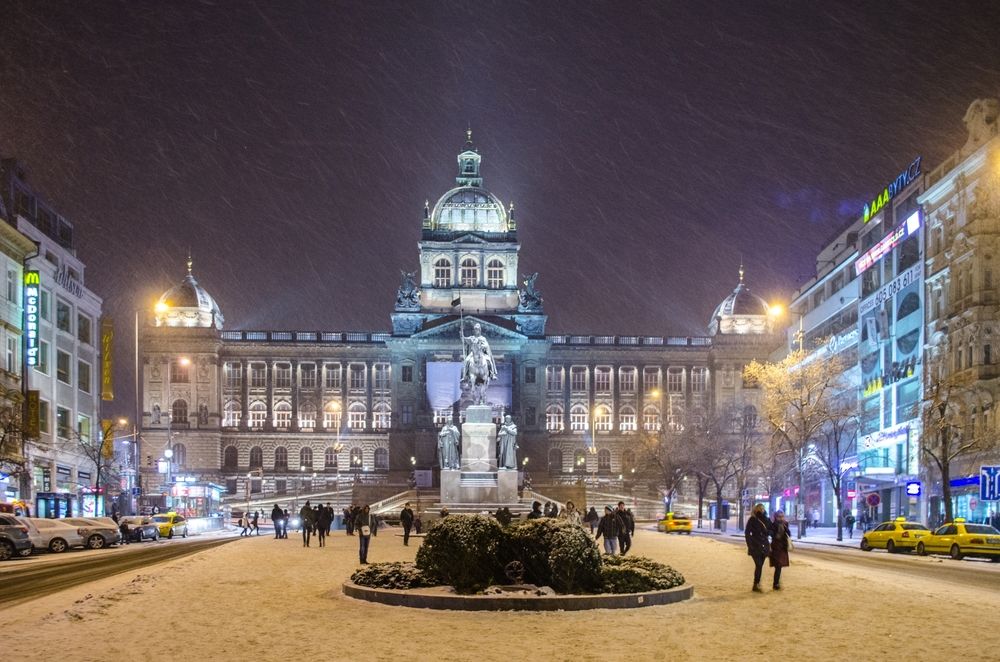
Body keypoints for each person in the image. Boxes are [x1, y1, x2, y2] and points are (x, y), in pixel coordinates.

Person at [745, 503, 771, 593]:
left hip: (764, 545)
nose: (761, 510)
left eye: (763, 508)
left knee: (760, 566)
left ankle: (756, 584)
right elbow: (747, 533)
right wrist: (750, 545)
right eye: (760, 508)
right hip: (755, 545)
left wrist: (769, 532)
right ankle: (756, 584)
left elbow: (771, 530)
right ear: (756, 510)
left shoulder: (767, 519)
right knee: (758, 564)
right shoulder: (752, 519)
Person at [770, 510, 791, 590]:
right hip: (776, 547)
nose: (781, 518)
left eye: (782, 516)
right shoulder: (773, 525)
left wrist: (785, 528)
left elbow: (789, 534)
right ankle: (776, 584)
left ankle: (777, 582)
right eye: (779, 516)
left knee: (780, 566)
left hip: (783, 547)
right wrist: (776, 533)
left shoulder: (785, 524)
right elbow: (772, 534)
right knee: (778, 565)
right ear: (776, 517)